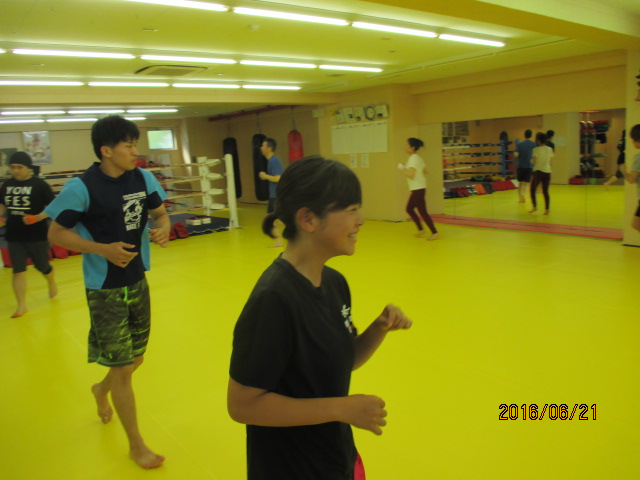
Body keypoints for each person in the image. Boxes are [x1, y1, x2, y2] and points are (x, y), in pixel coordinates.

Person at [228, 156, 413, 480]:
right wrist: (341, 408)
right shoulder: (274, 299)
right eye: (351, 210)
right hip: (290, 468)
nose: (361, 220)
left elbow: (341, 360)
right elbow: (242, 405)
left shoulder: (335, 283)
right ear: (309, 219)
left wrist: (378, 328)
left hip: (334, 455)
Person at [45, 115, 171, 469]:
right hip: (104, 289)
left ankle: (101, 389)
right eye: (128, 146)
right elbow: (55, 234)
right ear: (106, 150)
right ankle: (136, 446)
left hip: (137, 280)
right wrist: (102, 249)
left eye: (135, 144)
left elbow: (160, 214)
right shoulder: (82, 187)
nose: (135, 151)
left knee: (134, 360)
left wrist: (163, 228)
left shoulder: (143, 178)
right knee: (123, 369)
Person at [0, 151, 57, 318]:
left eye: (19, 167)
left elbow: (55, 207)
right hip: (14, 235)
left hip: (36, 235)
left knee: (42, 267)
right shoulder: (7, 185)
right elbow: (3, 205)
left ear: (28, 168)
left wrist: (37, 217)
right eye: (13, 167)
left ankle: (51, 279)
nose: (15, 171)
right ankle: (21, 305)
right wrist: (1, 217)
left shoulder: (40, 185)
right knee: (18, 270)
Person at [398, 137, 439, 240]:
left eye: (407, 145)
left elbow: (411, 175)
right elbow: (425, 171)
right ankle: (421, 229)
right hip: (418, 188)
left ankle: (434, 232)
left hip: (418, 189)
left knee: (422, 212)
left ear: (412, 147)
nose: (405, 147)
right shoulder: (417, 158)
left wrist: (402, 169)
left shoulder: (413, 158)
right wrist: (408, 168)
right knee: (409, 209)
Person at [258, 137, 284, 248]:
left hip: (277, 195)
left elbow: (278, 178)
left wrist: (265, 176)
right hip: (273, 195)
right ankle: (279, 241)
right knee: (270, 219)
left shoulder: (274, 161)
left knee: (272, 220)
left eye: (263, 146)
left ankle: (294, 226)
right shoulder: (270, 161)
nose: (261, 148)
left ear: (269, 148)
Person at [620, 124, 640, 233]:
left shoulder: (638, 158)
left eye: (633, 140)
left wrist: (624, 171)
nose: (632, 143)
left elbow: (632, 179)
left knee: (636, 224)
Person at [530, 132, 554, 214]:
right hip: (547, 172)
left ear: (538, 140)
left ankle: (534, 207)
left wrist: (531, 161)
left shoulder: (535, 150)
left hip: (538, 172)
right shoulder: (550, 149)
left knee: (532, 189)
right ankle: (547, 209)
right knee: (545, 191)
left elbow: (534, 161)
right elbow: (551, 161)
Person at [514, 129, 535, 204]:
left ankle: (520, 199)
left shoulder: (520, 144)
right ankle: (523, 194)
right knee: (526, 183)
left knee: (520, 183)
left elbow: (515, 155)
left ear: (524, 135)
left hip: (521, 166)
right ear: (531, 135)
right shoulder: (533, 144)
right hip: (529, 166)